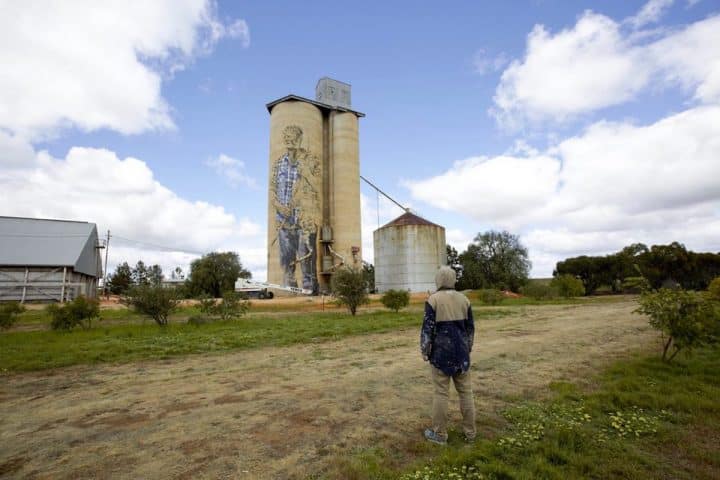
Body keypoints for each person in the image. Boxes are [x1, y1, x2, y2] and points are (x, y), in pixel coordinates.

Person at [420, 266, 476, 444]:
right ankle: (470, 433)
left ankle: (439, 434)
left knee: (441, 394)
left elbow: (427, 329)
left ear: (438, 280)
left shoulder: (433, 300)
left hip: (441, 354)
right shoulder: (464, 300)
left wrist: (425, 350)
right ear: (453, 280)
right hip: (462, 353)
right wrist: (468, 349)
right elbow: (470, 329)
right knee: (466, 393)